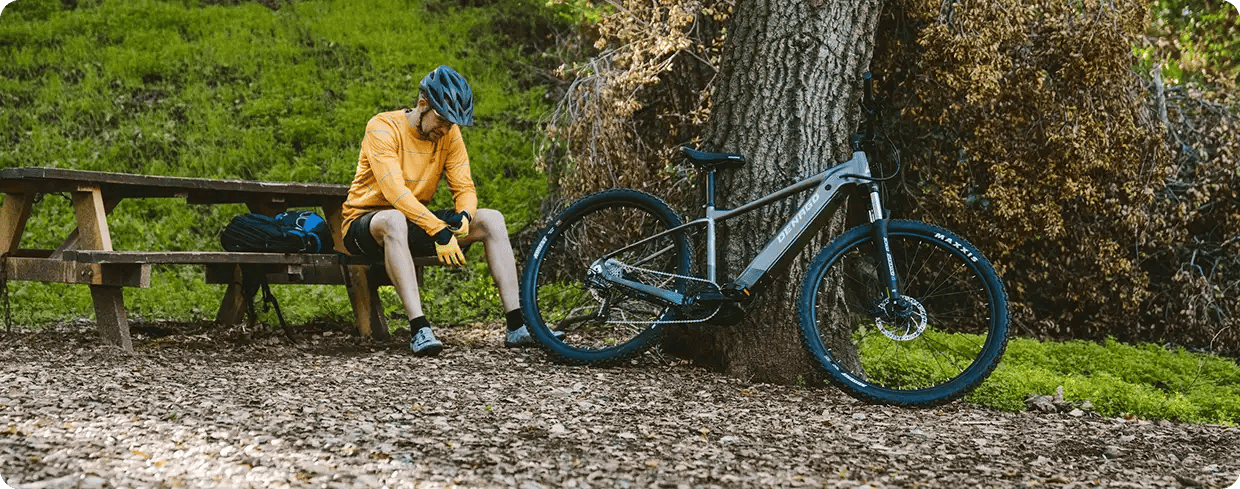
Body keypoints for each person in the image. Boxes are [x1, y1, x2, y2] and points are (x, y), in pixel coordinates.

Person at [339, 66, 559, 356]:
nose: (445, 129)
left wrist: (465, 217)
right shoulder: (382, 127)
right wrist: (438, 230)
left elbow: (464, 187)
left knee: (492, 219)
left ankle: (517, 326)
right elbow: (395, 194)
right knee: (393, 219)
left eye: (452, 123)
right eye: (441, 119)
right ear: (422, 104)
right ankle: (419, 329)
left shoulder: (449, 135)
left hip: (414, 221)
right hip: (364, 224)